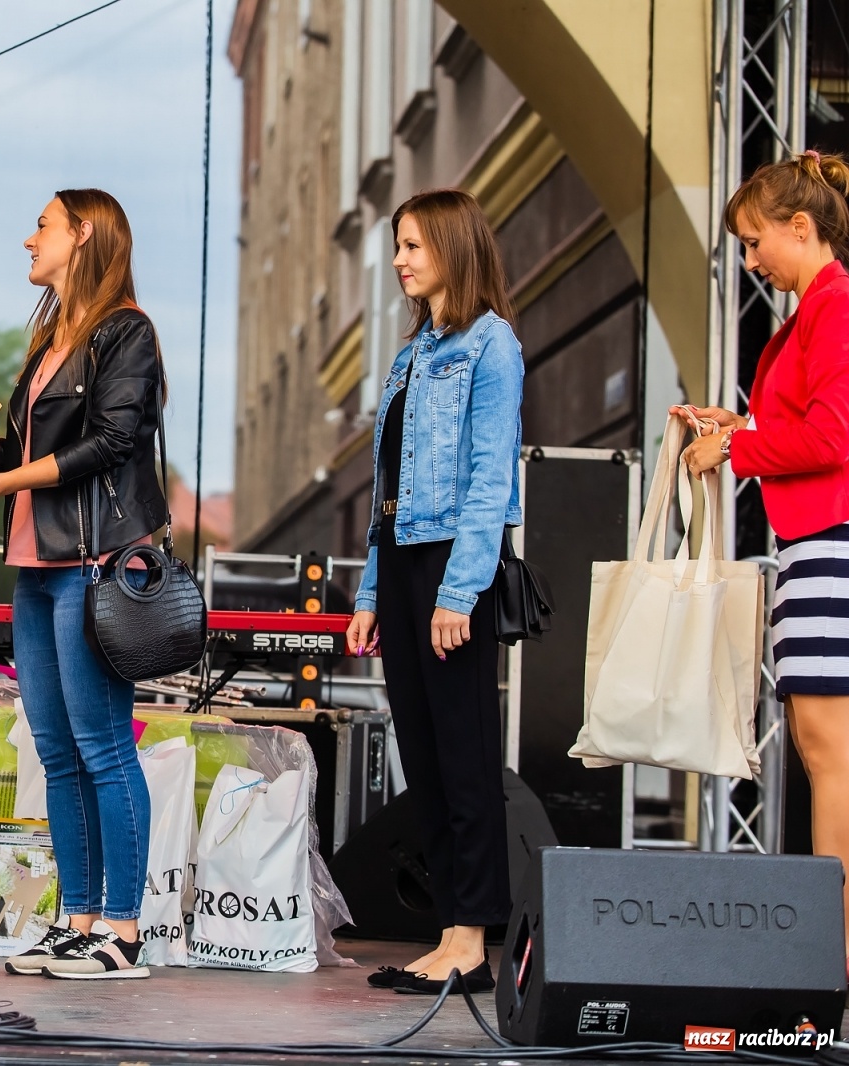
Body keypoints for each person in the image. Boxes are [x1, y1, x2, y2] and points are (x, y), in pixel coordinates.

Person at [0, 189, 166, 980]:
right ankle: (77, 918)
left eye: (43, 225)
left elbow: (110, 442)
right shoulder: (52, 340)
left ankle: (125, 930)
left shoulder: (124, 332)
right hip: (37, 567)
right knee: (57, 751)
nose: (28, 239)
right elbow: (30, 445)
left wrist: (0, 485)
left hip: (94, 563)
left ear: (84, 237)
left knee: (102, 745)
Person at [344, 189, 523, 995]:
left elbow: (490, 483)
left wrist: (459, 591)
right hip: (408, 563)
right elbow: (386, 488)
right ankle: (450, 930)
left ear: (453, 244)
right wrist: (371, 592)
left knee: (466, 757)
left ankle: (473, 938)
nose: (401, 260)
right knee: (425, 757)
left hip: (457, 566)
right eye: (399, 246)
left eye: (414, 244)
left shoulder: (493, 346)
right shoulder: (412, 355)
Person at [679, 149, 849, 964]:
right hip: (820, 545)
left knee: (829, 758)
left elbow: (830, 437)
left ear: (801, 227)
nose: (750, 260)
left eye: (755, 242)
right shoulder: (818, 307)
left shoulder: (833, 305)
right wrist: (736, 427)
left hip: (830, 546)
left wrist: (736, 447)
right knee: (828, 759)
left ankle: (833, 960)